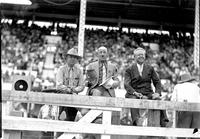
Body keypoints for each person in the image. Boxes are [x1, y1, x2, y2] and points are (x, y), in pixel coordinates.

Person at [82, 46, 120, 139]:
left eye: (104, 52)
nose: (102, 54)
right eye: (101, 52)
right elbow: (86, 82)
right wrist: (89, 82)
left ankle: (103, 123)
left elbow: (117, 81)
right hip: (96, 89)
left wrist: (113, 83)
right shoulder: (91, 66)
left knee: (114, 110)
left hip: (108, 90)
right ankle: (97, 118)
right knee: (97, 93)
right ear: (97, 54)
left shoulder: (113, 66)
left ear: (107, 54)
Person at [124, 47, 168, 127]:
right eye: (138, 55)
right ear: (134, 57)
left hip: (148, 93)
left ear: (145, 56)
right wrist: (135, 93)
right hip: (134, 93)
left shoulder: (150, 68)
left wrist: (157, 93)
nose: (141, 56)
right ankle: (136, 121)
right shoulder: (129, 69)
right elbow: (127, 84)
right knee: (133, 100)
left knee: (158, 99)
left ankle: (164, 121)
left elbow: (157, 82)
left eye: (142, 55)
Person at [56, 47, 85, 122]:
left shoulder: (79, 71)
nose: (73, 59)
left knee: (71, 119)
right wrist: (70, 90)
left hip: (74, 97)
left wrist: (74, 90)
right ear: (66, 58)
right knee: (62, 118)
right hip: (62, 97)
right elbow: (59, 85)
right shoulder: (61, 69)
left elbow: (82, 86)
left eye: (75, 57)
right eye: (71, 57)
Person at [171, 73, 200, 139]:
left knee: (182, 134)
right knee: (195, 134)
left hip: (185, 110)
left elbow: (173, 100)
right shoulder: (196, 87)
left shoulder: (177, 86)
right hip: (197, 111)